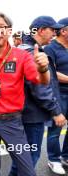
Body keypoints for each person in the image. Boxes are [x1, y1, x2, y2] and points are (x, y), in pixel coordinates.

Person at [0, 12, 50, 176]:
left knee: (27, 170)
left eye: (1, 27)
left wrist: (43, 69)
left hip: (12, 122)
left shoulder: (22, 56)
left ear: (9, 31)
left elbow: (40, 80)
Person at [9, 16, 66, 176]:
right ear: (41, 30)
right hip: (32, 115)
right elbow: (39, 87)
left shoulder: (21, 49)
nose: (55, 34)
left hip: (19, 112)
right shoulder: (32, 53)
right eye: (53, 30)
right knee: (30, 158)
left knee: (20, 159)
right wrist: (56, 111)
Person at [44, 17, 68, 174]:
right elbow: (50, 73)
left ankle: (66, 156)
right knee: (55, 129)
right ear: (64, 31)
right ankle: (53, 159)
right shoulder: (50, 48)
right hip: (60, 93)